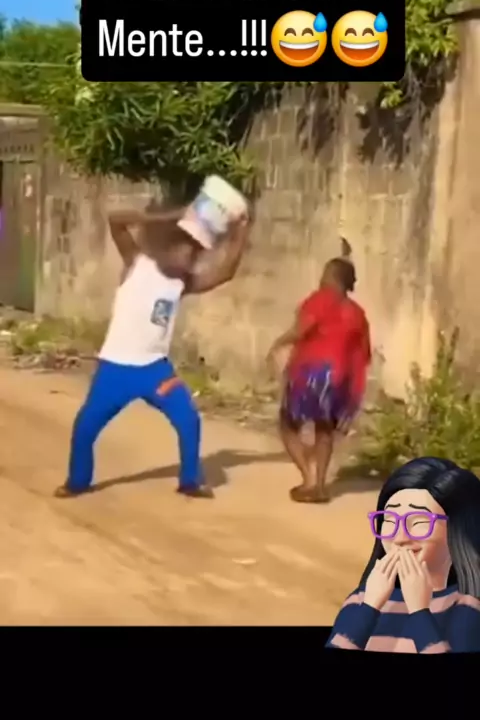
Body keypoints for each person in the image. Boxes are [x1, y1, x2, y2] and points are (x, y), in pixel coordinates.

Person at [54, 198, 250, 501]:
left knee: (188, 418)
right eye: (186, 251)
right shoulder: (137, 262)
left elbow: (226, 272)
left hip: (155, 371)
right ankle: (77, 481)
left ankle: (189, 481)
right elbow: (115, 220)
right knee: (86, 427)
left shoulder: (182, 283)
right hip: (114, 369)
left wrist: (240, 231)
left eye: (194, 253)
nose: (191, 258)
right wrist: (172, 215)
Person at [326, 456, 480, 652]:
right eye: (390, 520)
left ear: (458, 530)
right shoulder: (361, 600)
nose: (399, 538)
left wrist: (419, 611)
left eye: (419, 522)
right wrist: (369, 608)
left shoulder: (467, 608)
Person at [266, 257, 371, 504]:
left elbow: (301, 330)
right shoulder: (358, 313)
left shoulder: (320, 299)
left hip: (312, 372)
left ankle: (309, 479)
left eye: (325, 273)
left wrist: (277, 344)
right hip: (340, 377)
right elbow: (363, 353)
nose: (321, 278)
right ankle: (321, 486)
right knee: (324, 429)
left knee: (288, 424)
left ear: (333, 278)